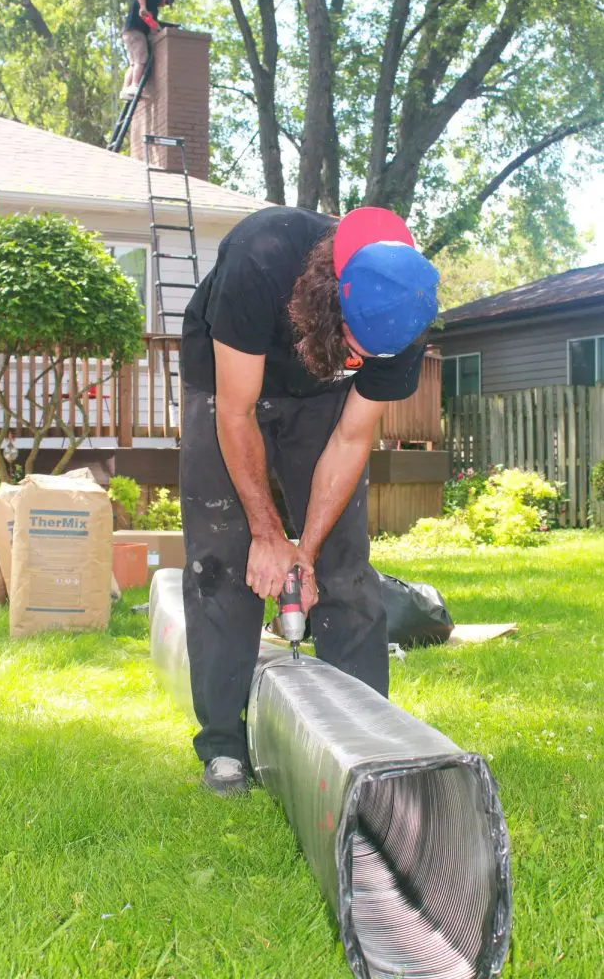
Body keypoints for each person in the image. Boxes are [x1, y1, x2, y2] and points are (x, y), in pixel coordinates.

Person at [180, 205, 439, 796]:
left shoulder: (402, 316)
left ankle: (369, 742)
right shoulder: (262, 258)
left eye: (368, 357)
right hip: (231, 377)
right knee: (223, 555)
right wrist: (268, 535)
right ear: (332, 296)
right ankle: (224, 746)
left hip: (319, 395)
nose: (360, 362)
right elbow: (237, 411)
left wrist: (307, 550)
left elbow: (351, 438)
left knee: (343, 562)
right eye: (353, 346)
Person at [120, 0, 176, 100]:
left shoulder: (154, 10)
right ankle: (135, 85)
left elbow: (153, 26)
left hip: (129, 33)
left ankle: (125, 89)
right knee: (141, 59)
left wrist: (161, 30)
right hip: (136, 32)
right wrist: (142, 6)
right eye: (167, 1)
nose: (165, 5)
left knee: (134, 63)